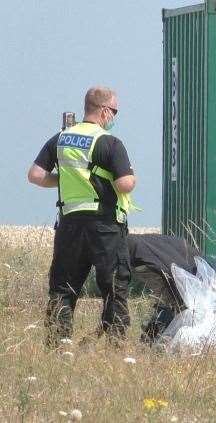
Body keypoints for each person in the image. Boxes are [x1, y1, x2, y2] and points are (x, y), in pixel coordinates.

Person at [28, 86, 137, 347]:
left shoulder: (61, 138)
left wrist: (65, 180)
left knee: (63, 288)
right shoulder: (110, 143)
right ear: (104, 111)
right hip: (105, 226)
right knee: (114, 288)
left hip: (70, 225)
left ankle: (58, 347)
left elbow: (35, 175)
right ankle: (114, 347)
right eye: (115, 111)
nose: (114, 117)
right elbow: (125, 184)